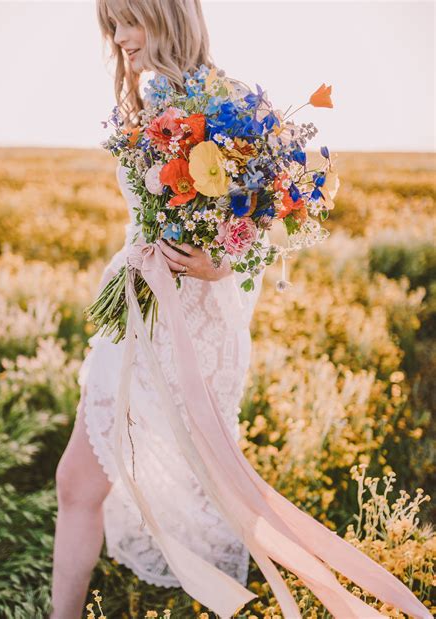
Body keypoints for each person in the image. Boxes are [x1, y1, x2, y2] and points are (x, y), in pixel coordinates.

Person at [50, 2, 432, 619]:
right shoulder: (145, 102)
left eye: (132, 19)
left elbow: (262, 230)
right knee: (79, 483)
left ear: (171, 16)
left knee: (188, 485)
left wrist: (220, 263)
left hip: (188, 326)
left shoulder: (230, 105)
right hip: (136, 313)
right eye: (112, 22)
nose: (120, 37)